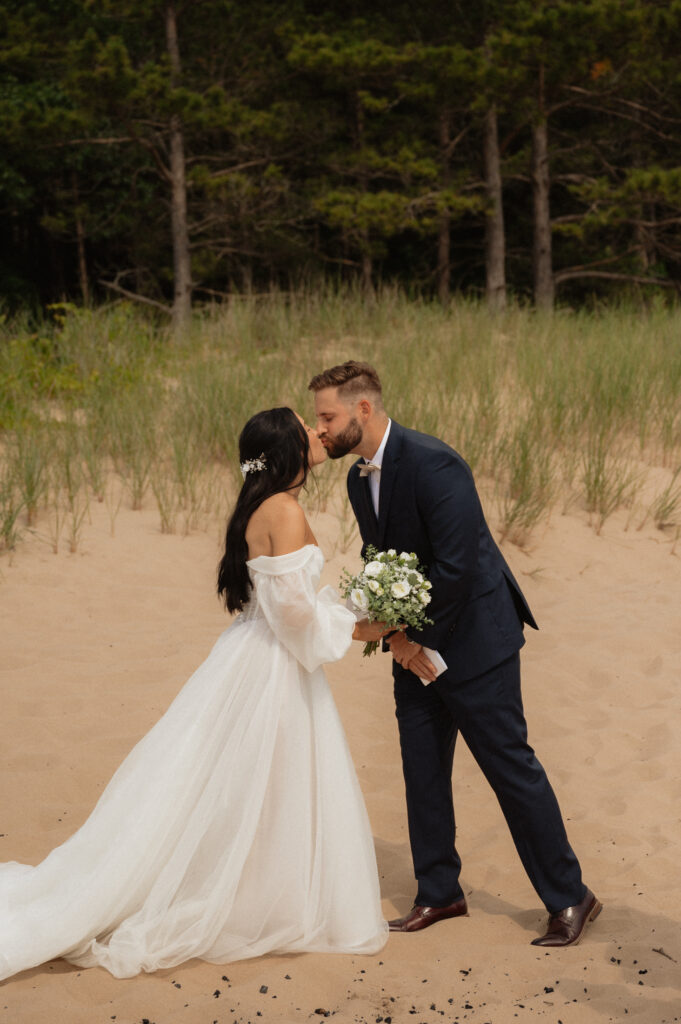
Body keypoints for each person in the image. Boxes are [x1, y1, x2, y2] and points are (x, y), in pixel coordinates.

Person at [0, 407, 388, 982]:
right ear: (285, 450)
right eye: (305, 428)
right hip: (272, 667)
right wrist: (360, 627)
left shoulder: (261, 505)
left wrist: (348, 609)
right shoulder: (281, 508)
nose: (316, 433)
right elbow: (295, 618)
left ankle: (255, 887)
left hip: (258, 654)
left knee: (250, 781)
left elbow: (289, 606)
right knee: (258, 778)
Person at [308, 361, 602, 947]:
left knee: (510, 770)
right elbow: (380, 561)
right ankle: (439, 891)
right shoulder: (354, 479)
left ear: (362, 410)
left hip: (475, 641)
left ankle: (571, 895)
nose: (320, 429)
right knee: (421, 769)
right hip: (410, 643)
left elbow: (458, 568)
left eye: (327, 416)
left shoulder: (434, 462)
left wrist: (415, 637)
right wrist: (395, 638)